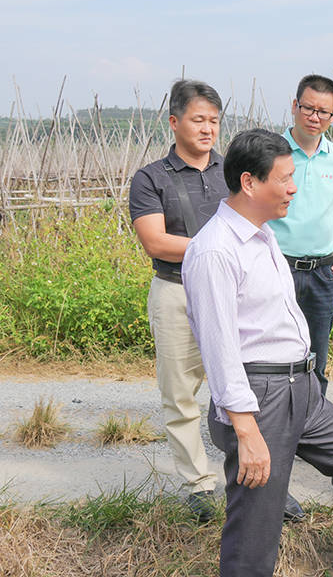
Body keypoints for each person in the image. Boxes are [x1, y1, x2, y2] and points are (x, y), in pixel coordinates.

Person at [182, 128, 333, 577]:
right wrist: (246, 429)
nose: (294, 188)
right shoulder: (215, 250)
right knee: (257, 523)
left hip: (301, 387)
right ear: (250, 183)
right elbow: (219, 348)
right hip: (260, 395)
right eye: (285, 178)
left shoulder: (263, 232)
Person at [128, 79, 226, 521]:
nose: (208, 129)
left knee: (245, 387)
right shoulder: (150, 178)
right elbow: (156, 242)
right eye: (198, 119)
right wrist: (223, 248)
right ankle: (200, 484)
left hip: (230, 292)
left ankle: (257, 480)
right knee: (180, 392)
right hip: (176, 291)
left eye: (214, 121)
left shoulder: (235, 171)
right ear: (174, 122)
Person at [269, 74, 333, 400]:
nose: (314, 117)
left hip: (323, 271)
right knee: (273, 354)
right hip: (277, 266)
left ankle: (312, 426)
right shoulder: (271, 152)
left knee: (316, 357)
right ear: (295, 106)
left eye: (324, 112)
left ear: (332, 117)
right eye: (308, 108)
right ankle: (274, 422)